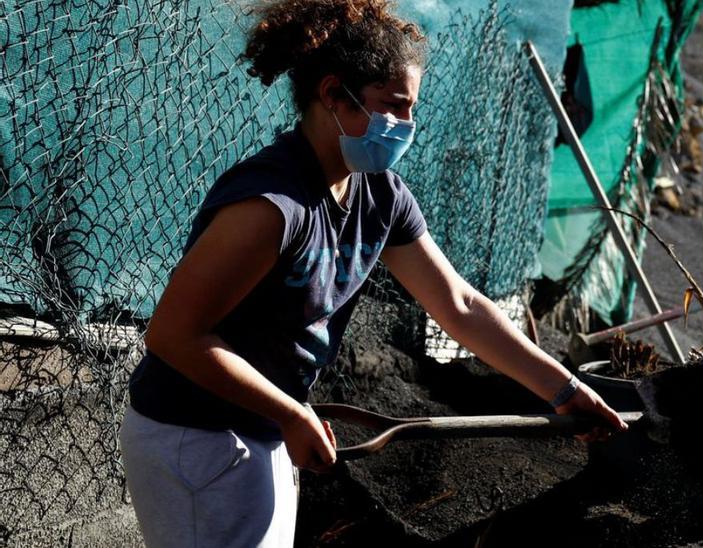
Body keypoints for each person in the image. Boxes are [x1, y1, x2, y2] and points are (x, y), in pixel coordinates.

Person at [119, 1, 625, 545]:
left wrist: (564, 389)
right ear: (334, 94)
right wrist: (290, 413)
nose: (404, 127)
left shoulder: (379, 196)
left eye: (411, 111)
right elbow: (173, 334)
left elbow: (459, 306)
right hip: (195, 436)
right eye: (392, 107)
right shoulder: (270, 207)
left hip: (264, 429)